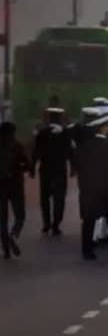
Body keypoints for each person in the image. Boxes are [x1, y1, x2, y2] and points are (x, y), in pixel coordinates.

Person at [77, 116, 108, 260]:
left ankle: (87, 250)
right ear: (102, 128)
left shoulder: (85, 145)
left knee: (88, 220)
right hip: (106, 187)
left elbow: (80, 166)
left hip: (89, 188)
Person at [32, 107, 73, 236]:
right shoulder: (65, 133)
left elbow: (36, 152)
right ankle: (56, 224)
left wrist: (32, 168)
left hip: (45, 170)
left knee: (44, 198)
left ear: (49, 118)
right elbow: (70, 152)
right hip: (60, 170)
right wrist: (73, 168)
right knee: (59, 199)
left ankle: (46, 224)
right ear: (60, 118)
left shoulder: (42, 133)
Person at [0, 122, 31, 259]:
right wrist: (22, 168)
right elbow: (27, 164)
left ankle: (6, 250)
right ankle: (13, 234)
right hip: (15, 186)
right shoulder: (17, 146)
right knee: (20, 216)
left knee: (2, 219)